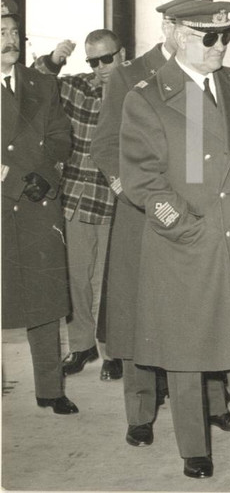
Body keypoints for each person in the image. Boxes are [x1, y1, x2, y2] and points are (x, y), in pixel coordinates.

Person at [119, 0, 230, 478]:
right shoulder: (148, 96)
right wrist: (182, 226)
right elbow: (142, 180)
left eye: (226, 35)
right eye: (209, 36)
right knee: (186, 349)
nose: (221, 44)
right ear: (177, 34)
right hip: (188, 241)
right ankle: (194, 448)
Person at [91, 0, 230, 448]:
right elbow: (105, 144)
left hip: (198, 210)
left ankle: (215, 404)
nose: (211, 37)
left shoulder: (212, 73)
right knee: (139, 315)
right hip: (143, 214)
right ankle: (140, 412)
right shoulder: (130, 75)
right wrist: (128, 190)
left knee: (206, 304)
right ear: (169, 27)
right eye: (187, 25)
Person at [33, 30, 124, 383]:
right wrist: (55, 60)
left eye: (107, 59)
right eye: (93, 61)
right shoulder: (77, 88)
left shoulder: (138, 91)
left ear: (122, 53)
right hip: (74, 200)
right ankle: (82, 345)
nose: (101, 68)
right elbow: (35, 85)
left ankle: (111, 351)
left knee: (108, 283)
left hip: (116, 203)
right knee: (75, 280)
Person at [0, 0, 77, 414]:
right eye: (1, 33)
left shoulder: (42, 83)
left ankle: (51, 389)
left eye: (14, 33)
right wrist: (14, 180)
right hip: (3, 201)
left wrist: (44, 179)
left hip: (37, 202)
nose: (9, 41)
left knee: (44, 300)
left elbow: (63, 137)